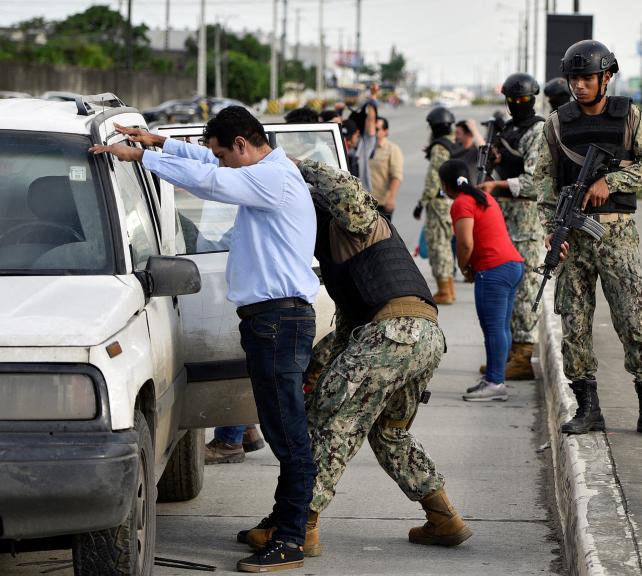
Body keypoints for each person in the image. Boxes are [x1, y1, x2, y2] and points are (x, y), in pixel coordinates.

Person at [90, 107, 319, 572]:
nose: (219, 161)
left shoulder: (271, 180)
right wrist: (159, 144)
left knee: (289, 434)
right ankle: (281, 521)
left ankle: (293, 537)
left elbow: (209, 182)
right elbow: (212, 169)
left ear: (240, 144)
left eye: (222, 153)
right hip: (271, 320)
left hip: (279, 320)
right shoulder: (261, 171)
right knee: (280, 428)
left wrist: (140, 158)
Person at [242, 161, 473, 554]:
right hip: (423, 338)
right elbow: (348, 333)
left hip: (394, 335)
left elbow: (345, 186)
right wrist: (312, 371)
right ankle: (444, 517)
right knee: (388, 433)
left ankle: (301, 525)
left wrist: (294, 165)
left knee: (330, 421)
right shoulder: (342, 259)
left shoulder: (354, 222)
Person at [536, 40, 642, 438]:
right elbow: (544, 184)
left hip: (616, 233)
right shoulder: (557, 123)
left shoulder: (628, 116)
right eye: (574, 79)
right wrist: (553, 231)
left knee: (633, 319)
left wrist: (610, 181)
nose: (579, 86)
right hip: (574, 235)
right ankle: (587, 407)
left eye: (587, 78)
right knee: (575, 324)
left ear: (606, 78)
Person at [478, 72, 547, 381]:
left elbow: (535, 181)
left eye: (523, 100)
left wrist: (498, 184)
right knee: (504, 292)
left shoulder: (538, 131)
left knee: (526, 290)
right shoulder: (508, 130)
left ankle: (522, 355)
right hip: (504, 221)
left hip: (527, 221)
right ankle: (505, 353)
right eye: (512, 100)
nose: (518, 104)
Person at [439, 160, 524, 401]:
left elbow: (465, 243)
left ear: (445, 185)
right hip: (512, 265)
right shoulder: (482, 198)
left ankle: (496, 383)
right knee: (502, 328)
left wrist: (464, 267)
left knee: (493, 329)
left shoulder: (461, 204)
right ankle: (494, 379)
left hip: (494, 269)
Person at [413, 106, 458, 305]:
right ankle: (448, 288)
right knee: (445, 245)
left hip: (438, 203)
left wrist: (421, 203)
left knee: (438, 246)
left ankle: (444, 291)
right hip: (449, 201)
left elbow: (433, 179)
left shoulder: (439, 147)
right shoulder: (452, 143)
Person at [368, 116, 404, 220]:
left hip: (381, 203)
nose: (374, 132)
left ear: (386, 132)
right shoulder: (365, 148)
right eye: (372, 129)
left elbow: (396, 176)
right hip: (364, 203)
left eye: (377, 129)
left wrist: (391, 198)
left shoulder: (392, 150)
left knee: (382, 235)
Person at [348, 82, 380, 192]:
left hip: (361, 195)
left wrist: (373, 97)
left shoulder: (364, 144)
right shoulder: (342, 144)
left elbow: (371, 121)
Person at [451, 119, 482, 184]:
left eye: (458, 133)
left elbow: (485, 149)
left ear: (469, 134)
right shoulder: (456, 149)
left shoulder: (475, 151)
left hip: (472, 189)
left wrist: (474, 130)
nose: (455, 136)